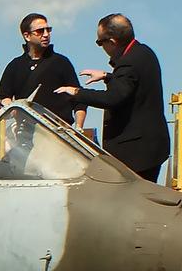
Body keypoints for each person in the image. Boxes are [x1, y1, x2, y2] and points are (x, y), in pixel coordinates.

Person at [56, 13, 169, 182]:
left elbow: (113, 98)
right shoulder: (144, 52)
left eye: (100, 42)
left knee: (131, 204)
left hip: (136, 152)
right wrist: (108, 77)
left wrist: (77, 92)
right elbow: (132, 85)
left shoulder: (127, 63)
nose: (101, 47)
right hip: (152, 146)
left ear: (112, 42)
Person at [0, 13, 86, 129]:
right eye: (40, 31)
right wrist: (6, 103)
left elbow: (79, 98)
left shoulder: (61, 62)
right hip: (24, 134)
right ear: (27, 36)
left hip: (58, 132)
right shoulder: (15, 65)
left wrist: (78, 127)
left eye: (48, 30)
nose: (46, 34)